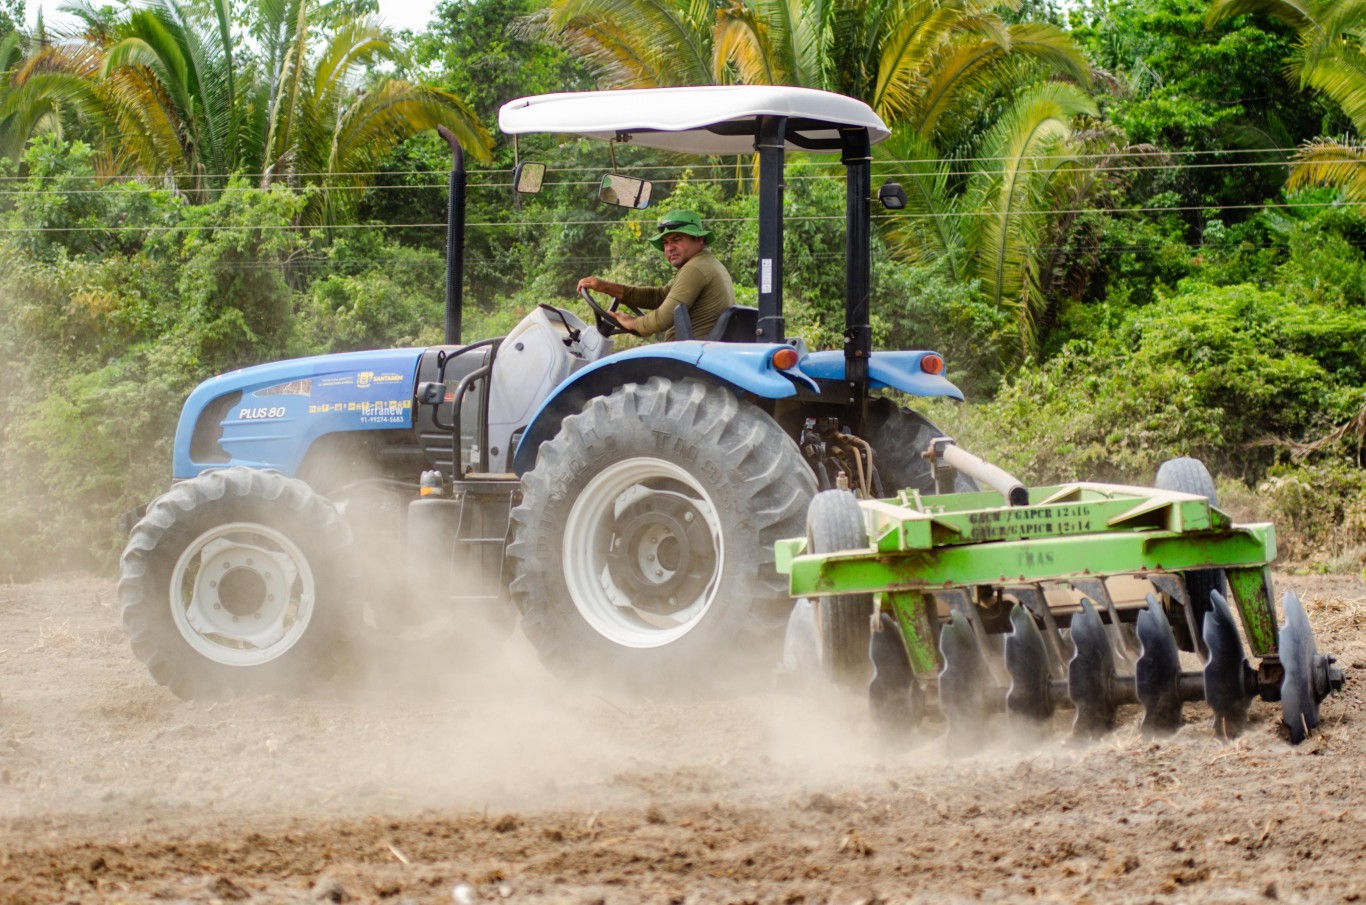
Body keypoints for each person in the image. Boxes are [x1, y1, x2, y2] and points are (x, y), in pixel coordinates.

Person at [576, 210, 734, 340]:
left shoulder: (696, 268)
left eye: (676, 240)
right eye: (665, 243)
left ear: (699, 240)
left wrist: (632, 322)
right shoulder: (704, 264)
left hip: (688, 361)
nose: (669, 248)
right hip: (693, 355)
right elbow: (659, 297)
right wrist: (606, 287)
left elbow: (663, 318)